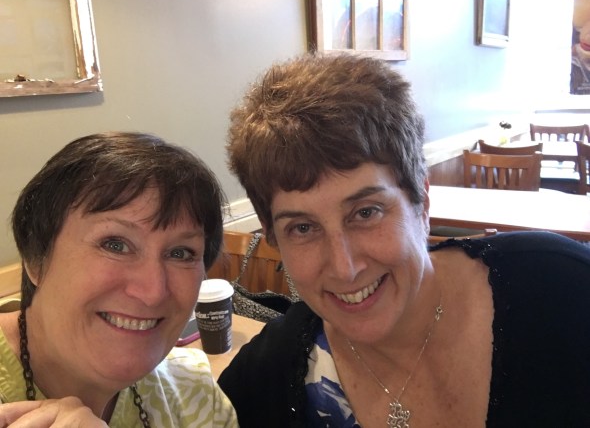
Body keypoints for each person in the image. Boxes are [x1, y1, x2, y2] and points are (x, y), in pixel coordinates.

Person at [218, 53, 590, 427]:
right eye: (302, 228)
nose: (345, 269)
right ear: (273, 238)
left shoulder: (562, 290)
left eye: (366, 212)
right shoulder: (263, 380)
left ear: (421, 202)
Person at [0, 132, 237, 427]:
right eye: (115, 244)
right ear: (36, 257)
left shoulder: (196, 399)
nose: (153, 291)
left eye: (180, 253)